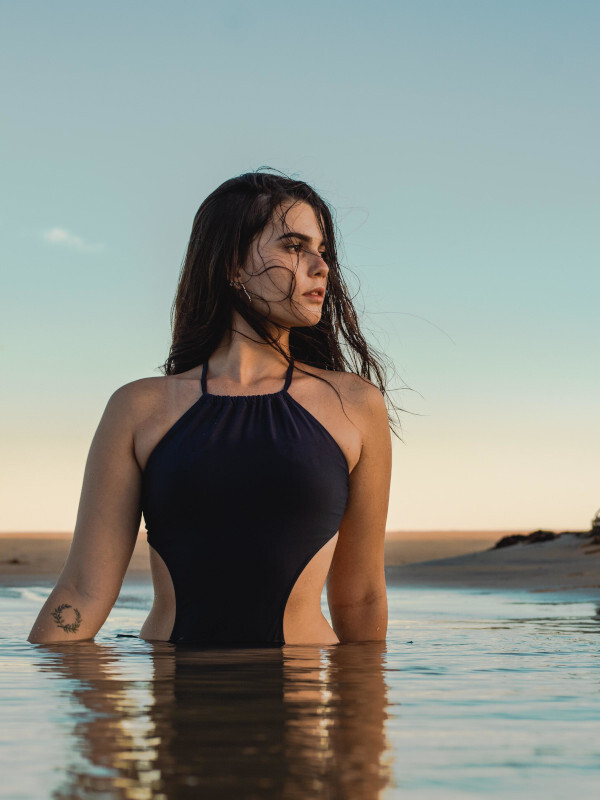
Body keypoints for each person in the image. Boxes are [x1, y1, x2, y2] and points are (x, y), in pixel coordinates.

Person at [28, 169, 395, 647]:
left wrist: (364, 713)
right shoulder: (139, 408)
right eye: (293, 245)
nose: (321, 266)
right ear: (231, 265)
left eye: (322, 251)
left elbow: (362, 597)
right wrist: (43, 696)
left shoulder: (354, 405)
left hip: (303, 700)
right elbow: (81, 591)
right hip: (176, 709)